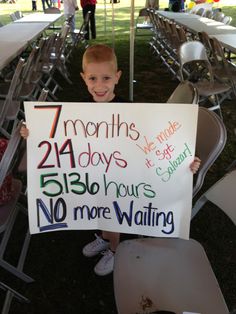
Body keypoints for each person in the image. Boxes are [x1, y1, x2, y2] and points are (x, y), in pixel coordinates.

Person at [20, 44, 201, 277]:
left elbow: (155, 145)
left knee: (113, 215)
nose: (99, 85)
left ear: (117, 77)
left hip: (121, 179)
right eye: (93, 78)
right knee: (98, 211)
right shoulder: (77, 111)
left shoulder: (130, 111)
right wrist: (33, 132)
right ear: (84, 78)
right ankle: (104, 238)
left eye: (106, 78)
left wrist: (184, 159)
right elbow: (56, 136)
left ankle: (115, 250)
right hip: (93, 176)